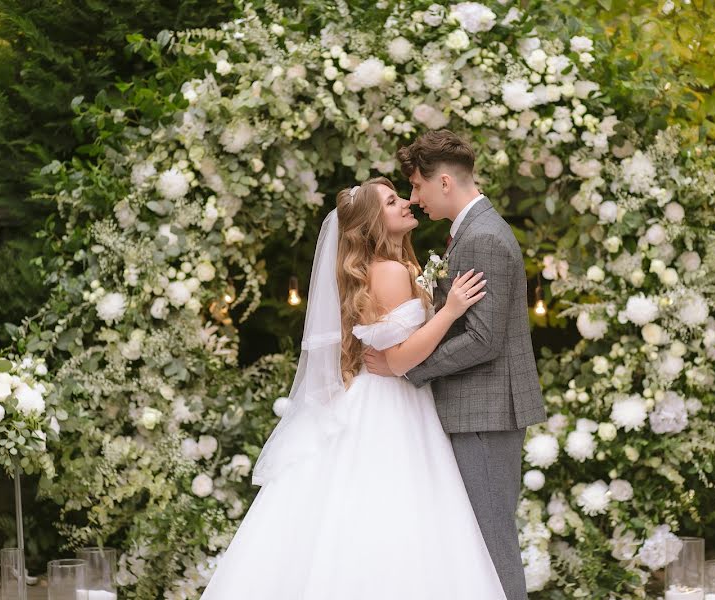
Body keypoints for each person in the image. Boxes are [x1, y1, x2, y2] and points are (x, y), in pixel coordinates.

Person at [200, 176, 506, 599]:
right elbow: (398, 359)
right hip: (392, 404)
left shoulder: (391, 268)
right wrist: (450, 310)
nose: (406, 204)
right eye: (392, 202)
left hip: (387, 398)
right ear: (372, 223)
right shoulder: (392, 272)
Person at [364, 130, 547, 600]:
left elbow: (483, 340)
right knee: (476, 541)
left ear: (443, 182)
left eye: (417, 187)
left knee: (490, 542)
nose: (413, 198)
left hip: (484, 413)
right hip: (479, 411)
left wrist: (408, 369)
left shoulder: (482, 237)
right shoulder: (472, 231)